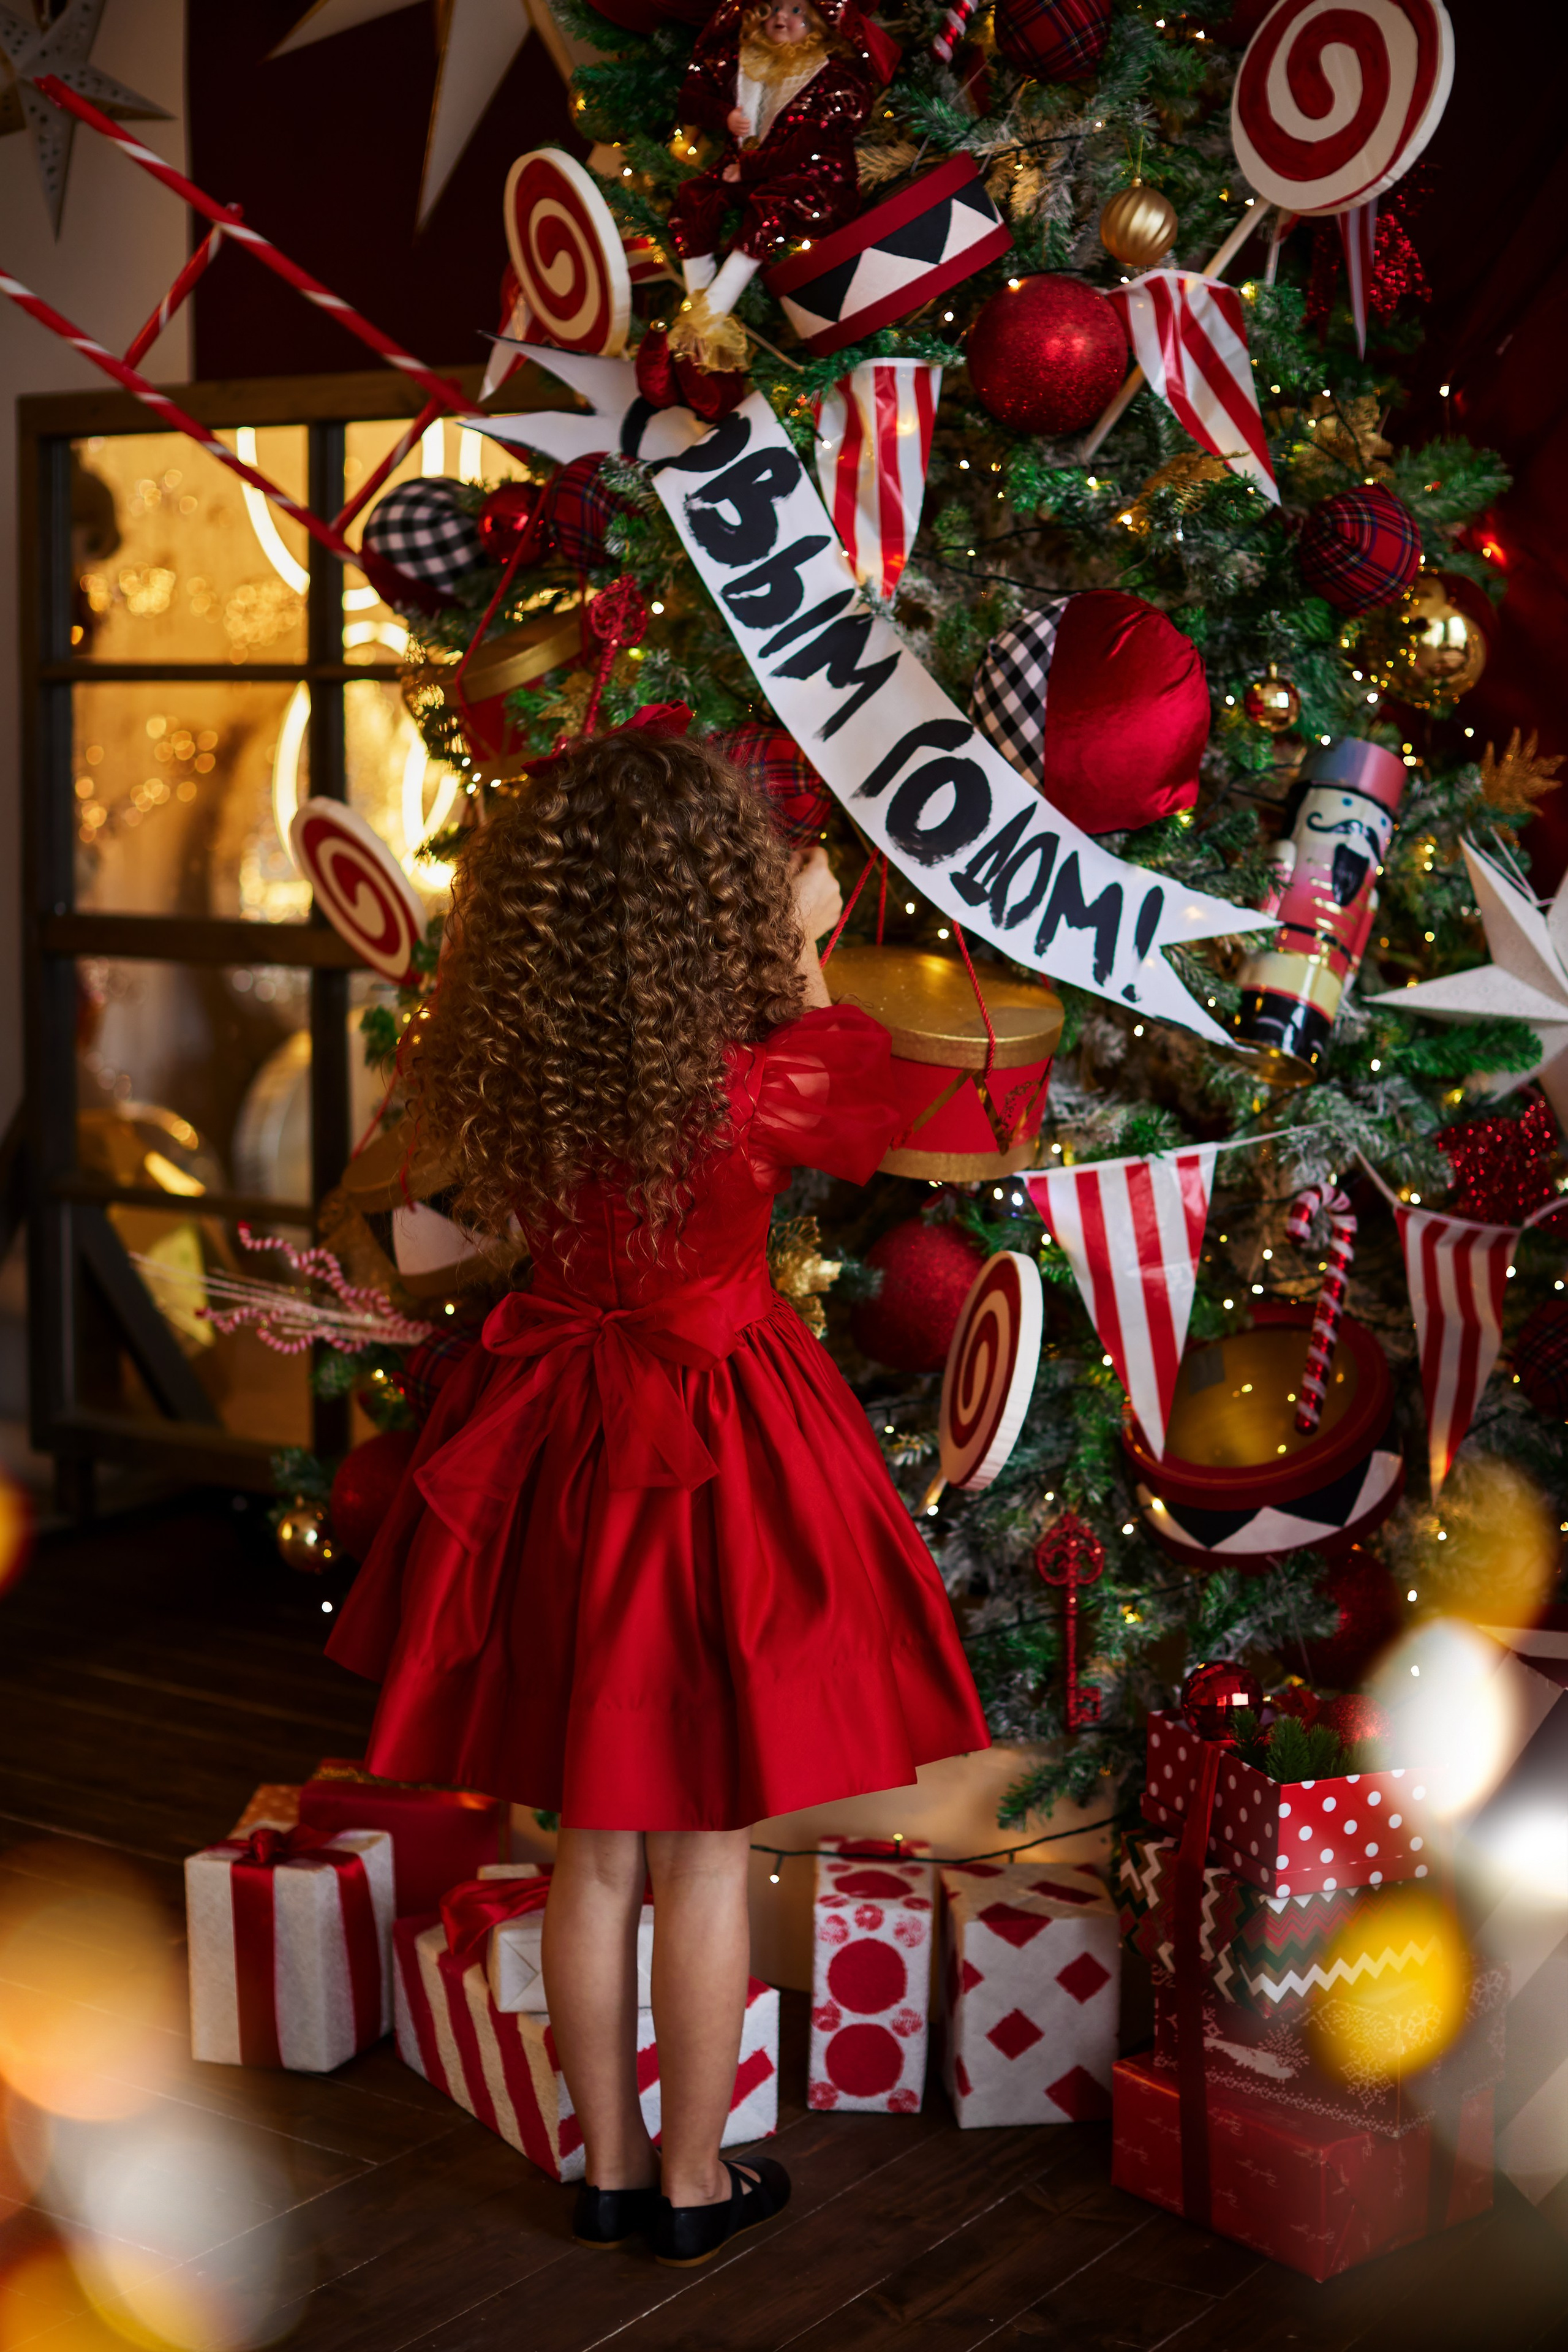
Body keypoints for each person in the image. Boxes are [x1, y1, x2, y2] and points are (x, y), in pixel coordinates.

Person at [326, 717, 989, 2267]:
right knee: (692, 1847)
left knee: (588, 1847)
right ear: (722, 910)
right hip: (711, 1447)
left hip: (554, 1444)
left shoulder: (505, 1066)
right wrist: (810, 942)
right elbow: (855, 1096)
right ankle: (693, 2182)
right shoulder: (752, 1078)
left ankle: (610, 2168)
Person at [663, 0, 897, 372]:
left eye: (797, 11)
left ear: (820, 23)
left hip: (815, 178)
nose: (782, 18)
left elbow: (801, 149)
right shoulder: (743, 59)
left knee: (772, 212)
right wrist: (724, 115)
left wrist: (748, 168)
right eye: (773, 8)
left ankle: (714, 309)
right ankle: (700, 313)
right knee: (696, 197)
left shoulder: (835, 81)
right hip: (745, 169)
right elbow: (690, 101)